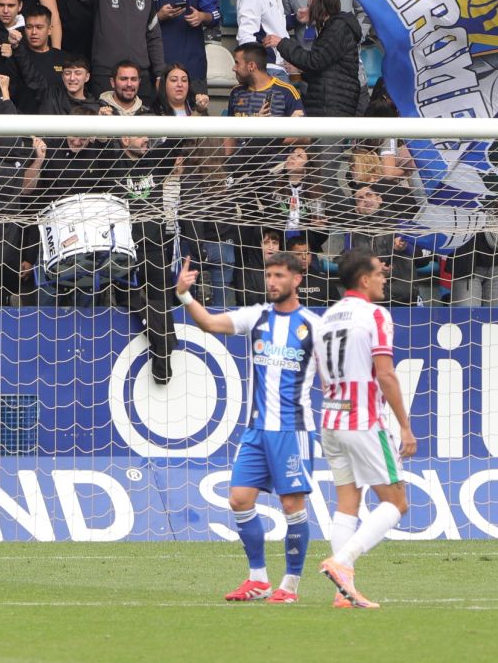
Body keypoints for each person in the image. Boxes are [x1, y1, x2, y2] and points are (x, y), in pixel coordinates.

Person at [176, 250, 321, 603]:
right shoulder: (257, 317)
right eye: (269, 275)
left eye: (279, 276)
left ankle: (289, 586)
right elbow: (209, 324)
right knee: (240, 499)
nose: (272, 282)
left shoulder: (315, 326)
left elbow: (336, 375)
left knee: (291, 505)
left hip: (293, 428)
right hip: (256, 429)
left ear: (297, 279)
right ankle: (258, 579)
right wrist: (183, 294)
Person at [315, 250, 417, 611]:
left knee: (347, 502)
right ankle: (342, 562)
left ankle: (343, 591)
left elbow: (321, 372)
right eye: (379, 271)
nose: (384, 275)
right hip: (363, 419)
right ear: (363, 279)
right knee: (396, 502)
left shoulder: (326, 317)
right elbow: (385, 373)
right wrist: (405, 426)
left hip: (330, 418)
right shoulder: (375, 314)